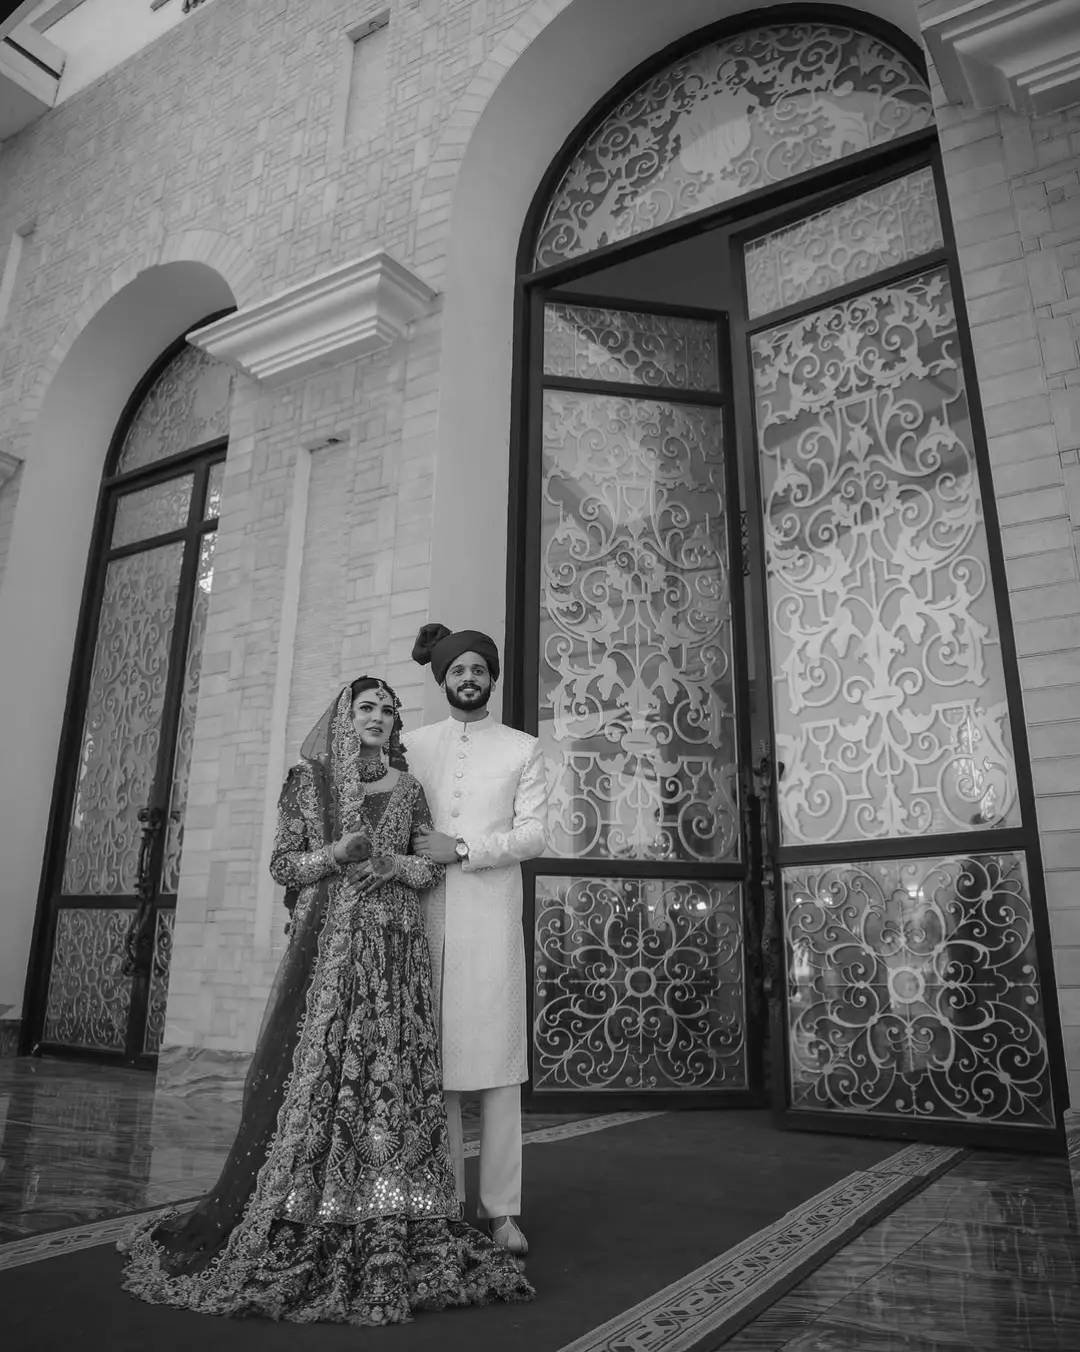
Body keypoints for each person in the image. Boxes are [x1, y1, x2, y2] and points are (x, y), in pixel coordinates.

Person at [119, 676, 533, 1324]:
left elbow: (429, 866)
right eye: (366, 707)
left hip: (397, 960)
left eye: (387, 710)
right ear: (345, 717)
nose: (378, 717)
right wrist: (336, 854)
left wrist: (395, 865)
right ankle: (314, 1204)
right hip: (331, 956)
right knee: (323, 1081)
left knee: (390, 1082)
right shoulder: (308, 783)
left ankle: (394, 1203)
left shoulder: (409, 789)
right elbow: (284, 866)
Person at [407, 624, 549, 1257]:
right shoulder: (412, 746)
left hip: (491, 923)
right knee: (432, 1066)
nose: (469, 678)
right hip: (424, 921)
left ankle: (502, 1212)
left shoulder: (522, 748)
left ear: (492, 678)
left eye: (479, 669)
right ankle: (441, 1205)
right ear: (443, 679)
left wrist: (462, 847)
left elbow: (534, 835)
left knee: (497, 1068)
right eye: (458, 670)